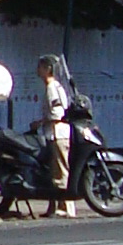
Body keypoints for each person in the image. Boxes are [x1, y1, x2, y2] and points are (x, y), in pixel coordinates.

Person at [36, 51, 75, 213]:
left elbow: (57, 113)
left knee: (60, 171)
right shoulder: (52, 87)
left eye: (40, 67)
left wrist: (39, 122)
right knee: (53, 171)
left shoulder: (52, 88)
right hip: (53, 133)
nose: (38, 70)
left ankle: (66, 207)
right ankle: (53, 207)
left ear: (48, 69)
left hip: (57, 134)